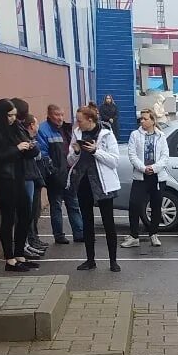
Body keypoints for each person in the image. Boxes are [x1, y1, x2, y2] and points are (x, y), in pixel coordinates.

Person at [0, 99, 38, 273]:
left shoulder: (14, 128)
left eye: (14, 115)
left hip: (18, 177)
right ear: (2, 114)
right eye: (10, 115)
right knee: (9, 218)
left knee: (26, 214)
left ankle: (20, 254)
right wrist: (17, 149)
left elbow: (27, 149)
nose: (13, 118)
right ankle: (10, 259)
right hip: (4, 179)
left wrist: (30, 147)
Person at [69, 103, 121, 272]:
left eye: (80, 121)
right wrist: (76, 152)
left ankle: (113, 261)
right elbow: (70, 160)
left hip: (103, 183)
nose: (78, 124)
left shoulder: (106, 134)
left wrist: (95, 151)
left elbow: (114, 161)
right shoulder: (77, 133)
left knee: (108, 223)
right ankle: (90, 260)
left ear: (90, 120)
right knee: (87, 222)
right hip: (83, 182)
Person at [37, 104, 81, 243]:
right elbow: (44, 154)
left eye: (62, 114)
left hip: (68, 173)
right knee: (56, 206)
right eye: (57, 115)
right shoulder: (43, 130)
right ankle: (59, 235)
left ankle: (79, 233)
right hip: (55, 176)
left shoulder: (66, 129)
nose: (60, 118)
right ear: (49, 115)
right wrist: (53, 173)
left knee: (73, 204)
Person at [123, 108, 166, 248]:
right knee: (134, 204)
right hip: (140, 176)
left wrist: (153, 168)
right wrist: (143, 168)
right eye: (141, 118)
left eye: (145, 118)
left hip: (156, 176)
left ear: (153, 120)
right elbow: (132, 154)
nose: (142, 121)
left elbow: (165, 156)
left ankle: (154, 234)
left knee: (156, 205)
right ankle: (134, 236)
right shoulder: (135, 135)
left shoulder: (161, 136)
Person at [12, 99, 47, 257]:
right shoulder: (15, 130)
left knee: (31, 212)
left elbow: (34, 151)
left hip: (30, 175)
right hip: (24, 175)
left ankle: (28, 242)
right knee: (24, 213)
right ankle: (24, 245)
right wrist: (30, 147)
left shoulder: (18, 129)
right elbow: (33, 153)